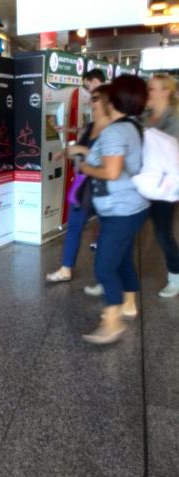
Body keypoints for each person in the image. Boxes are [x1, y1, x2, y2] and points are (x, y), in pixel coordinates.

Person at [79, 75, 150, 344]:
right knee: (122, 259)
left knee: (104, 267)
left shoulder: (115, 131)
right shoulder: (134, 125)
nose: (98, 101)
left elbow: (111, 171)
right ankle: (129, 304)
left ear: (115, 100)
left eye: (102, 98)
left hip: (120, 210)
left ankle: (112, 322)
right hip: (134, 207)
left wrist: (85, 167)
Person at [46, 84, 112, 283]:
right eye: (91, 99)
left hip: (104, 187)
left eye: (96, 99)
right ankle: (66, 269)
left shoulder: (113, 129)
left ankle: (108, 276)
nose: (92, 104)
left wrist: (82, 153)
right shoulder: (92, 126)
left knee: (108, 232)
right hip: (84, 184)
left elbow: (109, 162)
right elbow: (80, 147)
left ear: (108, 102)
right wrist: (65, 152)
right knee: (74, 226)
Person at [142, 73, 179, 297]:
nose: (149, 91)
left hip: (164, 186)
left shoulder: (175, 118)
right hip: (143, 181)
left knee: (162, 232)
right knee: (124, 229)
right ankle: (109, 273)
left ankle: (175, 276)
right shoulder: (146, 115)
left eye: (153, 88)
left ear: (166, 91)